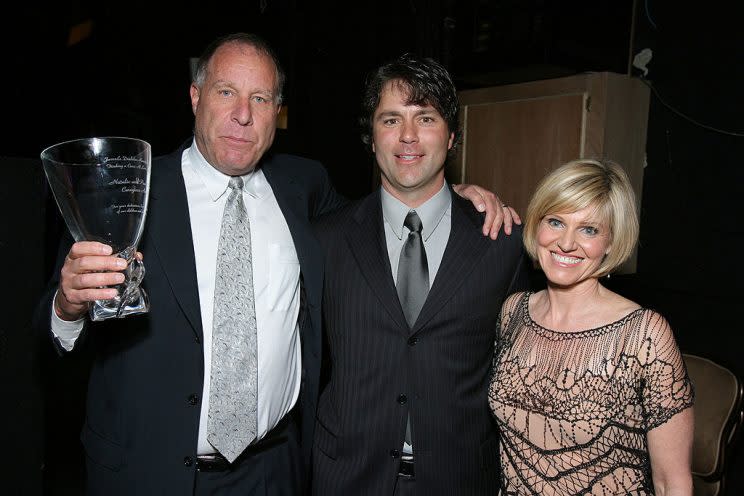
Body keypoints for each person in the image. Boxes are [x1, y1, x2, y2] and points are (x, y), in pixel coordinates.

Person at [34, 33, 516, 495]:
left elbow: (390, 208)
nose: (243, 115)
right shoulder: (132, 190)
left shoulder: (303, 186)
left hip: (273, 472)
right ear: (195, 95)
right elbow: (47, 335)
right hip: (146, 472)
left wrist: (456, 195)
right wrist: (66, 306)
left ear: (277, 112)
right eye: (227, 92)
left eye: (261, 99)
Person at [310, 54, 531, 496]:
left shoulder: (502, 241)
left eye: (425, 118)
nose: (407, 136)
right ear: (371, 138)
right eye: (391, 120)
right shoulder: (323, 239)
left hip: (461, 479)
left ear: (452, 137)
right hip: (346, 478)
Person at [488, 159, 694, 495]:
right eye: (555, 221)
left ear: (611, 242)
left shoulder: (642, 334)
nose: (566, 243)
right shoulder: (513, 312)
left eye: (589, 229)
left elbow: (672, 481)